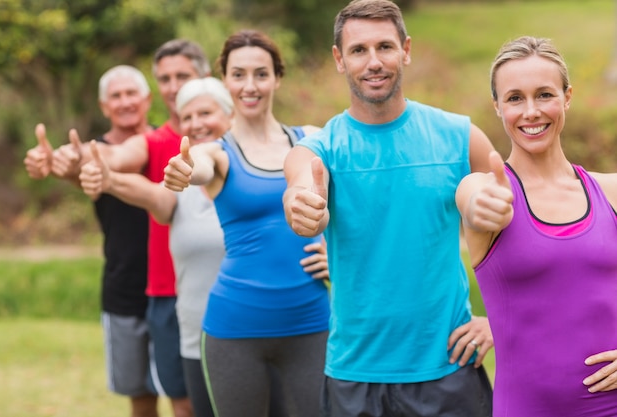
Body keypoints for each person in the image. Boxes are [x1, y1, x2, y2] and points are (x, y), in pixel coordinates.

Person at [281, 0, 496, 415]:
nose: (373, 62)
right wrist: (306, 207)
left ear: (406, 50)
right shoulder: (319, 148)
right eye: (359, 50)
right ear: (339, 60)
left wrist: (498, 321)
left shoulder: (460, 137)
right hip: (355, 374)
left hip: (448, 368)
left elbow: (523, 233)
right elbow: (302, 188)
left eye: (385, 47)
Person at [79, 77, 296, 417]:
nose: (196, 125)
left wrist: (331, 255)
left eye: (205, 113)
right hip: (198, 335)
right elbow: (150, 193)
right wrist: (109, 179)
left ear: (230, 114)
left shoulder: (263, 176)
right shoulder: (180, 185)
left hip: (264, 328)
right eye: (187, 118)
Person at [164, 30, 331, 417]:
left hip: (312, 323)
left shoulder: (313, 139)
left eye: (261, 73)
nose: (250, 86)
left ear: (277, 78)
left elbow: (356, 210)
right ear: (225, 81)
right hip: (235, 327)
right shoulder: (217, 152)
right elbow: (201, 165)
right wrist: (185, 169)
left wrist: (336, 255)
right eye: (239, 75)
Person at [48, 39, 211, 417]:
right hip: (157, 291)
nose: (173, 86)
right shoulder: (150, 143)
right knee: (176, 400)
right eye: (165, 79)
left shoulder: (233, 142)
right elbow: (113, 158)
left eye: (182, 76)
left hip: (222, 289)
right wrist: (73, 159)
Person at [455, 35, 617, 417]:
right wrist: (481, 208)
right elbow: (473, 198)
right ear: (497, 106)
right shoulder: (486, 189)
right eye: (514, 98)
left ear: (567, 97)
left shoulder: (611, 191)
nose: (531, 111)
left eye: (544, 94)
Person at [23, 65, 159, 417]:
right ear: (103, 106)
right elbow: (74, 164)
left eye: (132, 93)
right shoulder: (95, 152)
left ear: (147, 99)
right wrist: (51, 161)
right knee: (141, 399)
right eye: (116, 95)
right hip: (125, 286)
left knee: (186, 397)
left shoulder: (169, 141)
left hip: (175, 285)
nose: (125, 101)